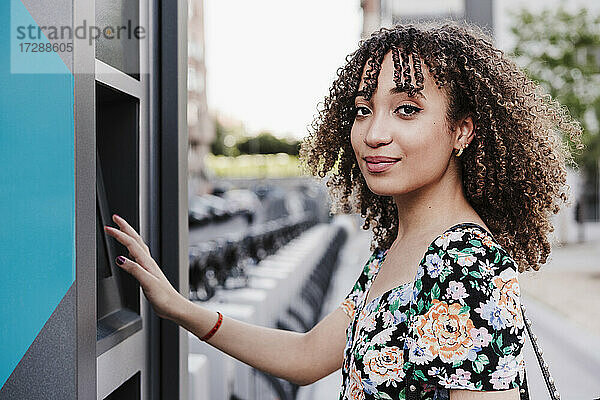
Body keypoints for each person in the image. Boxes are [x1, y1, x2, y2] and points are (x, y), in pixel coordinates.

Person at [104, 21, 582, 399]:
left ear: (462, 131)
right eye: (361, 109)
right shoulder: (399, 249)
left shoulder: (466, 266)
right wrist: (180, 308)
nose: (373, 133)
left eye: (407, 109)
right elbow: (310, 355)